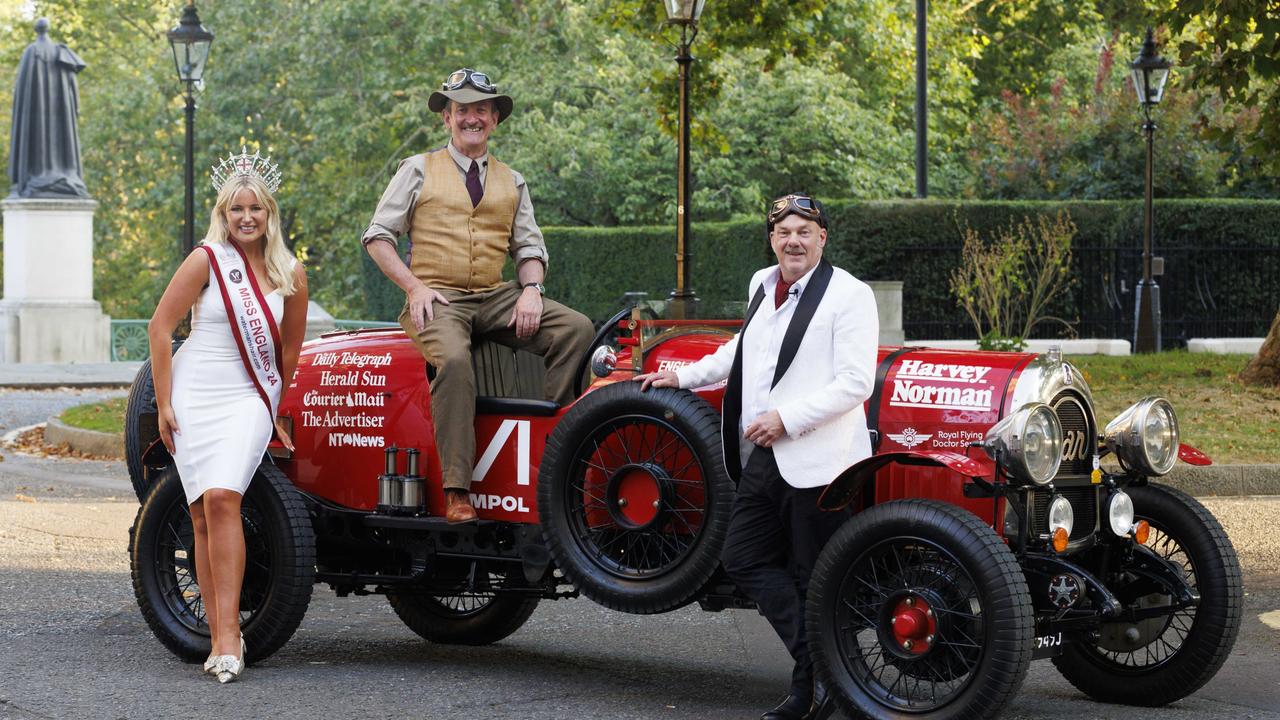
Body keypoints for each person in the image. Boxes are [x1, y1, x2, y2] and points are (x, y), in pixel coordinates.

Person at [635, 194, 878, 720]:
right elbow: (743, 350)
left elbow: (857, 382)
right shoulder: (762, 284)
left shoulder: (850, 294)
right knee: (741, 556)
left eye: (804, 231)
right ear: (772, 238)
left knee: (819, 577)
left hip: (824, 460)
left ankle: (811, 691)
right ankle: (823, 667)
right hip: (766, 454)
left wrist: (786, 419)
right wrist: (682, 375)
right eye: (784, 231)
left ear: (822, 238)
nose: (793, 240)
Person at [363, 67, 593, 524]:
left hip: (495, 295)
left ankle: (555, 463)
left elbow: (529, 248)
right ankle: (457, 489)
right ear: (446, 118)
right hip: (438, 298)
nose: (472, 118)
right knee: (451, 359)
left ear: (494, 120)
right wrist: (414, 286)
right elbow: (377, 237)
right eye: (462, 109)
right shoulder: (416, 169)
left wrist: (530, 290)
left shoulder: (513, 180)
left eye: (481, 110)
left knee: (577, 329)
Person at [147, 150, 307, 684]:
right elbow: (161, 327)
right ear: (224, 212)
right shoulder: (206, 259)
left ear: (270, 214)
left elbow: (287, 355)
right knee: (198, 515)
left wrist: (274, 409)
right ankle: (218, 636)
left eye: (255, 209)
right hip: (196, 389)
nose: (246, 218)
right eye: (236, 208)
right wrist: (165, 402)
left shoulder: (291, 273)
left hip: (246, 398)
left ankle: (230, 635)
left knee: (223, 498)